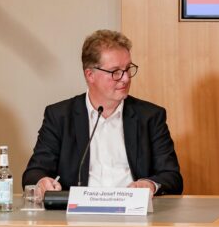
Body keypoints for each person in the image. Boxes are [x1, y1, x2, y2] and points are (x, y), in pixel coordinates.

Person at [22, 29, 183, 196]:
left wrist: (149, 184)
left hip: (134, 215)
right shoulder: (60, 116)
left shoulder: (150, 116)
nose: (126, 78)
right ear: (90, 75)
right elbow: (34, 172)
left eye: (128, 69)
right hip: (77, 216)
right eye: (116, 72)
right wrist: (42, 182)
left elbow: (172, 177)